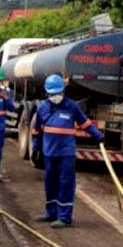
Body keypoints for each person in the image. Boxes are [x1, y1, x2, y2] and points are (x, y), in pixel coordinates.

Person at [31, 74, 105, 228]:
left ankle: (64, 217)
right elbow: (36, 131)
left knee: (66, 183)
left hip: (66, 153)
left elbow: (85, 124)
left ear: (63, 91)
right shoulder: (43, 108)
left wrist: (98, 136)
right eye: (52, 94)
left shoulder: (72, 107)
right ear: (47, 93)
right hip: (49, 152)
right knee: (50, 182)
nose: (55, 96)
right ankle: (51, 213)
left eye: (58, 93)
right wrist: (35, 148)